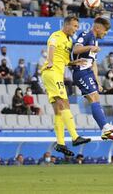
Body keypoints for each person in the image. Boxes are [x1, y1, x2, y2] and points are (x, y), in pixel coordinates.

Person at [41, 16, 91, 156]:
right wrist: (50, 61)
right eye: (74, 26)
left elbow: (64, 60)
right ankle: (75, 137)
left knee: (58, 109)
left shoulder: (69, 41)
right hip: (52, 72)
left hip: (56, 73)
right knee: (64, 104)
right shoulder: (57, 35)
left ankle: (60, 143)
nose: (76, 29)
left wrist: (74, 63)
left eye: (77, 26)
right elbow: (51, 47)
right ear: (67, 25)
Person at [72, 17, 113, 141]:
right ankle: (105, 127)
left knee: (96, 98)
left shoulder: (95, 41)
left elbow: (93, 63)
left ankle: (105, 129)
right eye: (105, 31)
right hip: (81, 71)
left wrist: (97, 81)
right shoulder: (86, 34)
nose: (105, 34)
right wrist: (90, 47)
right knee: (94, 97)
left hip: (88, 72)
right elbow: (76, 49)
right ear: (98, 28)